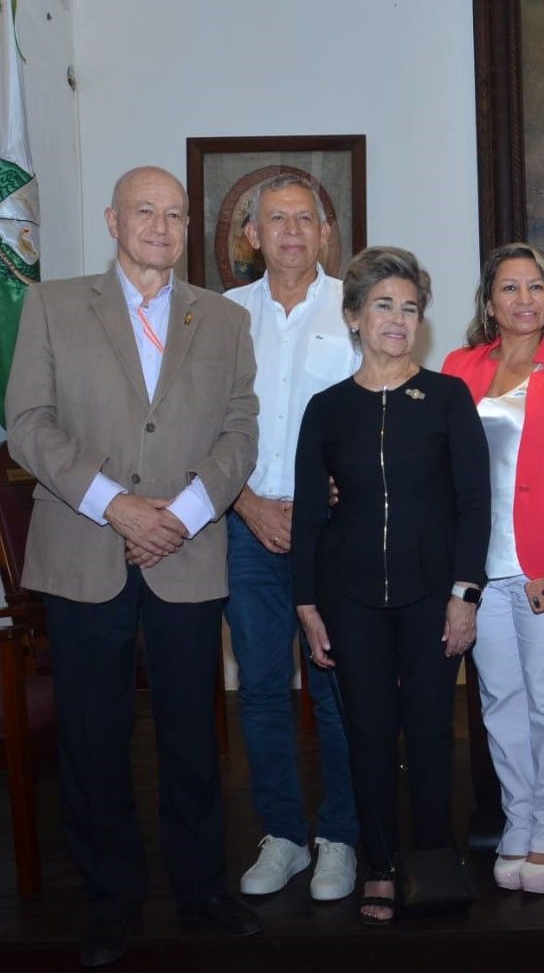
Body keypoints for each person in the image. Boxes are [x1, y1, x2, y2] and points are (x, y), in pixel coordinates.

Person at [5, 166, 260, 967]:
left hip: (188, 552)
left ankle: (200, 891)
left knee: (192, 735)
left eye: (175, 213)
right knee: (92, 735)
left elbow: (241, 429)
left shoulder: (221, 318)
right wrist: (116, 504)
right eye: (145, 211)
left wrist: (181, 515)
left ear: (188, 228)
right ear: (114, 220)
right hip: (85, 551)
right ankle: (111, 897)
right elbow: (27, 424)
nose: (161, 225)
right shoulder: (52, 304)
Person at [292, 246, 491, 924]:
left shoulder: (447, 397)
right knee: (368, 731)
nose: (398, 319)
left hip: (433, 593)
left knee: (432, 730)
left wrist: (466, 595)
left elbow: (475, 502)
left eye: (410, 308)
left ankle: (433, 856)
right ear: (353, 316)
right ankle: (379, 863)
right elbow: (311, 512)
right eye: (384, 305)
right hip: (347, 598)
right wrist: (307, 603)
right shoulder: (325, 408)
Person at [442, 243, 544, 895]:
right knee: (500, 703)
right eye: (509, 288)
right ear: (490, 303)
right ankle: (517, 820)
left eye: (535, 287)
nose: (523, 299)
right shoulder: (459, 369)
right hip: (482, 571)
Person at [223, 174, 361, 901]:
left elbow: (374, 415)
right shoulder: (217, 316)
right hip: (245, 527)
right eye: (276, 219)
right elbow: (197, 429)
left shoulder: (354, 310)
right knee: (262, 689)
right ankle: (283, 832)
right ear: (252, 235)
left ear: (326, 234)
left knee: (336, 684)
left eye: (305, 219)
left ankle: (340, 834)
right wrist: (245, 502)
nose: (292, 231)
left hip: (333, 532)